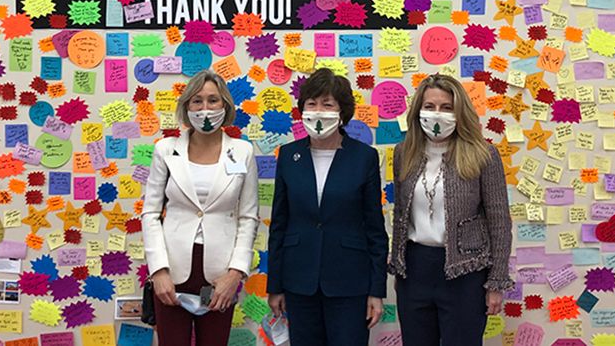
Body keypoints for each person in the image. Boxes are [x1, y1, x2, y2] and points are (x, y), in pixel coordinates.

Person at [388, 74, 514, 346]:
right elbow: (401, 214)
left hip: (465, 273)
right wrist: (399, 267)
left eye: (446, 108)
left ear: (460, 112)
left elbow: (499, 222)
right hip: (415, 269)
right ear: (418, 111)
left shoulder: (483, 154)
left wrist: (496, 282)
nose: (437, 114)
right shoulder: (403, 153)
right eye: (430, 106)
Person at [267, 68, 388, 346]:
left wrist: (376, 290)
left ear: (342, 111)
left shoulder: (364, 157)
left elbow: (375, 229)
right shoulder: (288, 155)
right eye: (312, 104)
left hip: (350, 283)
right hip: (299, 282)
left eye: (327, 104)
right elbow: (279, 224)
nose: (318, 111)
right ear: (302, 110)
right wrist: (275, 286)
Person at [142, 70, 259, 346]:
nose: (205, 108)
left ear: (225, 105)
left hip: (221, 275)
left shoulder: (243, 151)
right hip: (172, 271)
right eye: (197, 101)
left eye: (213, 100)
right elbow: (150, 213)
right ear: (186, 107)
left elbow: (249, 216)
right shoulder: (165, 149)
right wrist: (158, 270)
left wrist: (236, 273)